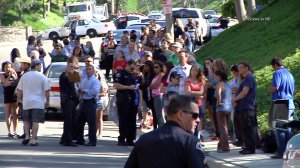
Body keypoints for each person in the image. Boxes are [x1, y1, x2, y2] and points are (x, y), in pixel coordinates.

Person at [124, 95, 205, 168]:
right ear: (180, 115)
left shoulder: (144, 139)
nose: (198, 120)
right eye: (195, 115)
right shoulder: (190, 142)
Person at [17, 59, 50, 146]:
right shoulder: (42, 76)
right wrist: (48, 101)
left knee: (26, 120)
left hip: (26, 101)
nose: (40, 67)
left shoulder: (25, 76)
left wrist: (18, 100)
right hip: (38, 102)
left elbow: (19, 90)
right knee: (36, 121)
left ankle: (27, 136)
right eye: (40, 66)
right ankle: (33, 139)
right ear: (36, 66)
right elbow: (47, 91)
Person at [268, 57, 295, 159]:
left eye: (273, 67)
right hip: (290, 103)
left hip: (281, 103)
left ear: (275, 65)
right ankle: (288, 153)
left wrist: (270, 89)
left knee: (280, 130)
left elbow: (276, 87)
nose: (273, 69)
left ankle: (281, 153)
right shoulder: (290, 74)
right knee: (288, 129)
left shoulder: (277, 73)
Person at [232, 62, 258, 155]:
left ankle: (250, 148)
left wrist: (235, 99)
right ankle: (247, 146)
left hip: (247, 107)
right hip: (244, 107)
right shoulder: (245, 79)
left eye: (241, 67)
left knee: (247, 128)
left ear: (247, 68)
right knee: (245, 128)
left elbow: (245, 92)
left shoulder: (249, 78)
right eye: (238, 68)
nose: (239, 69)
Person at [113, 60, 138, 146]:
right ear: (128, 65)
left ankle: (130, 139)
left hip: (132, 100)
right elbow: (116, 85)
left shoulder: (134, 75)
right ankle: (122, 138)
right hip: (123, 99)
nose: (133, 69)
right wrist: (128, 87)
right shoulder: (121, 73)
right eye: (132, 67)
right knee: (124, 120)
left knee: (132, 120)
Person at [76, 64, 101, 146]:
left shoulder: (95, 81)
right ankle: (80, 139)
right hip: (83, 102)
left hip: (90, 102)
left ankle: (92, 141)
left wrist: (85, 91)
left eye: (90, 69)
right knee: (80, 122)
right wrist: (80, 90)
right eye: (87, 69)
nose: (88, 71)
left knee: (91, 123)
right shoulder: (84, 80)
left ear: (93, 71)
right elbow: (80, 88)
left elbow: (95, 91)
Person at [59, 57, 80, 147]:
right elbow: (73, 89)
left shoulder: (73, 75)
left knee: (70, 120)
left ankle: (64, 138)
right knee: (69, 120)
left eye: (74, 67)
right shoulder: (65, 75)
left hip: (72, 100)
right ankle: (68, 140)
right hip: (67, 100)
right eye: (71, 67)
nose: (73, 69)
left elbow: (77, 86)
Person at [185, 64, 205, 138]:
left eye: (196, 70)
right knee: (190, 122)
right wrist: (198, 95)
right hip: (190, 104)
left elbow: (201, 92)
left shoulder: (200, 80)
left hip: (198, 104)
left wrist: (192, 92)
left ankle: (196, 138)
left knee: (197, 122)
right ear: (190, 71)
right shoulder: (187, 80)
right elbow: (187, 92)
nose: (195, 72)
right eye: (193, 70)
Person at [215, 70, 232, 153]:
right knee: (225, 127)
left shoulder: (220, 84)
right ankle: (221, 144)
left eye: (216, 76)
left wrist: (218, 102)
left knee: (223, 128)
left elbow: (218, 94)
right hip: (229, 107)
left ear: (219, 76)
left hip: (221, 108)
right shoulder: (228, 85)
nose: (215, 77)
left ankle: (225, 147)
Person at [1, 61, 19, 138]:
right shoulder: (2, 75)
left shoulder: (14, 74)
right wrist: (9, 76)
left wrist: (14, 75)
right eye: (6, 67)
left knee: (16, 114)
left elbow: (17, 82)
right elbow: (5, 83)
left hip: (14, 95)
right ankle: (9, 131)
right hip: (7, 95)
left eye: (9, 67)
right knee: (8, 113)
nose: (8, 68)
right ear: (4, 68)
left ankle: (15, 131)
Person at [150, 61, 165, 128]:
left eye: (157, 67)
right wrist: (152, 86)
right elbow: (150, 86)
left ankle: (162, 131)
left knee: (160, 115)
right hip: (155, 96)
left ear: (160, 68)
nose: (155, 69)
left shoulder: (161, 74)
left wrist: (152, 86)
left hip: (159, 96)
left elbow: (156, 85)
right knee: (157, 115)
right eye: (154, 67)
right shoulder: (156, 75)